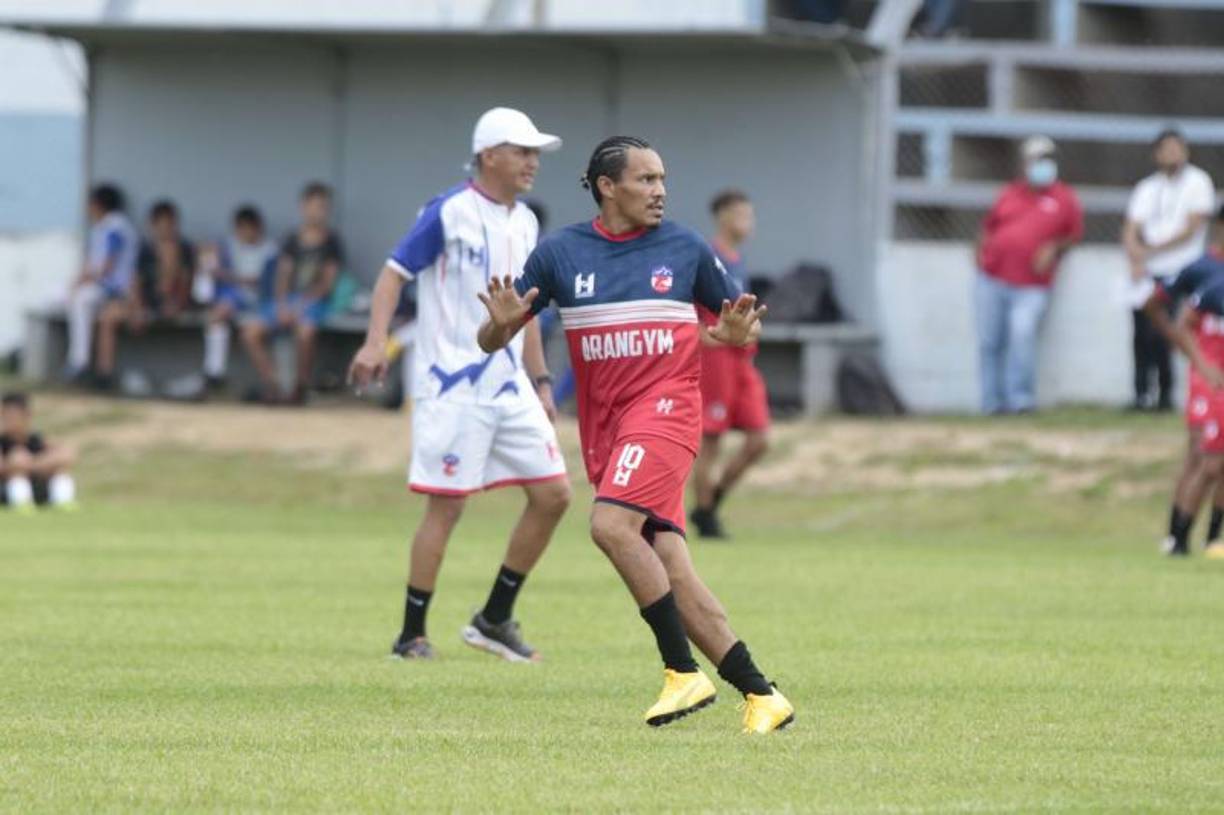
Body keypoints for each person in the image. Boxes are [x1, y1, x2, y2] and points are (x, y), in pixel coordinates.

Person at [477, 136, 795, 734]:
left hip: (667, 413)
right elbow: (495, 335)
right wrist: (496, 330)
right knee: (671, 567)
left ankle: (682, 672)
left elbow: (740, 325)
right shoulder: (561, 253)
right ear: (607, 187)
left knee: (610, 526)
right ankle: (762, 695)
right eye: (646, 179)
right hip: (609, 429)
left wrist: (738, 334)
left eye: (662, 179)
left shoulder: (686, 247)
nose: (660, 191)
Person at [348, 107, 571, 663]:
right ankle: (411, 635)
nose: (533, 161)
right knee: (446, 507)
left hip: (509, 385)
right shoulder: (448, 211)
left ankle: (493, 619)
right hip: (452, 385)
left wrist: (542, 380)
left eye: (536, 152)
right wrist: (375, 342)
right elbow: (392, 276)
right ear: (489, 155)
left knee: (554, 495)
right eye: (522, 151)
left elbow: (526, 310)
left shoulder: (526, 222)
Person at [974, 135, 1084, 415]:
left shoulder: (1064, 198)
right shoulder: (1009, 193)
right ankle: (991, 404)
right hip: (992, 278)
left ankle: (1021, 401)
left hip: (1032, 285)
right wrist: (981, 255)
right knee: (990, 342)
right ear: (1025, 163)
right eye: (1036, 159)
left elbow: (1074, 236)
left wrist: (1053, 247)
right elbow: (988, 227)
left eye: (1047, 159)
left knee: (1021, 336)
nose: (1042, 165)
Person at [1139, 206, 1224, 556]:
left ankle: (1211, 538)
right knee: (1204, 458)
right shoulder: (1204, 272)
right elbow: (1156, 305)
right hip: (1209, 379)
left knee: (1213, 460)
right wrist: (1192, 355)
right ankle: (1178, 537)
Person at [689, 190, 771, 539]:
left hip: (742, 358)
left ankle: (710, 504)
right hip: (716, 357)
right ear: (722, 216)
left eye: (750, 215)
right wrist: (703, 336)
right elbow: (689, 306)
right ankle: (706, 518)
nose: (747, 222)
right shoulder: (708, 257)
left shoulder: (737, 259)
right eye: (740, 214)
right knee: (711, 440)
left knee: (759, 439)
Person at [1123, 129, 1217, 412]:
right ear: (1157, 154)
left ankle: (1166, 393)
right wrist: (1136, 257)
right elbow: (1131, 227)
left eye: (1178, 148)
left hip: (1182, 272)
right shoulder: (1147, 187)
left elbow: (1192, 227)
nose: (1173, 153)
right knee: (1142, 332)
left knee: (1168, 332)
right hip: (1149, 271)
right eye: (1167, 148)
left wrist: (1151, 249)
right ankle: (1142, 394)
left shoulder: (1198, 182)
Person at [242, 182, 344, 404]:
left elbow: (327, 284)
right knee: (250, 332)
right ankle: (274, 385)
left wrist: (301, 305)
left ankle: (300, 387)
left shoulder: (332, 241)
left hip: (314, 303)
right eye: (315, 206)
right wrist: (281, 306)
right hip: (287, 302)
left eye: (323, 207)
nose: (319, 212)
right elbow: (283, 276)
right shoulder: (291, 239)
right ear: (303, 207)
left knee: (306, 332)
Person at [1152, 269, 1224, 559]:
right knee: (1208, 463)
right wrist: (1203, 365)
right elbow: (1183, 324)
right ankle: (1178, 537)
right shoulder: (1216, 288)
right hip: (1212, 386)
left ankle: (1212, 539)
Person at [65, 183, 139, 387]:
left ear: (98, 205)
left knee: (80, 300)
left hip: (116, 290)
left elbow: (106, 265)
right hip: (107, 289)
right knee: (75, 300)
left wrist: (81, 281)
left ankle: (80, 362)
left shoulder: (115, 226)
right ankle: (82, 363)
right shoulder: (104, 227)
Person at [198, 205, 280, 390]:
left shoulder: (270, 250)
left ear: (257, 227)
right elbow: (208, 251)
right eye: (240, 229)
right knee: (217, 318)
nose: (244, 234)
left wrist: (228, 276)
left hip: (262, 302)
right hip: (237, 299)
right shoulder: (231, 244)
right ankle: (214, 373)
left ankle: (273, 386)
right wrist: (208, 254)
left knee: (247, 334)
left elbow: (261, 281)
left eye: (247, 228)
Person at [0, 392, 77, 512]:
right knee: (17, 477)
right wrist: (13, 466)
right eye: (6, 416)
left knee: (60, 473)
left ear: (26, 415)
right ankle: (21, 505)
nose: (9, 421)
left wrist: (31, 465)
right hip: (6, 489)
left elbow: (66, 455)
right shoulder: (3, 441)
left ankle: (63, 504)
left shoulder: (36, 440)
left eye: (13, 416)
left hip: (36, 486)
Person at [135, 199, 196, 322]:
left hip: (177, 301)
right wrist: (138, 306)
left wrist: (178, 304)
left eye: (170, 224)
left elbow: (187, 281)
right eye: (162, 224)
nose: (167, 229)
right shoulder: (146, 251)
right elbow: (137, 281)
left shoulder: (184, 249)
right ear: (154, 225)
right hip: (150, 301)